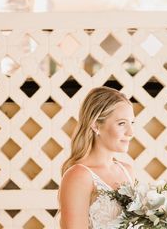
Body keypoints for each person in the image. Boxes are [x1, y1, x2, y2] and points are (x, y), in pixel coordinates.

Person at [58, 86, 136, 229]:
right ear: (95, 125)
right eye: (121, 123)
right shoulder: (79, 176)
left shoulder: (127, 171)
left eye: (132, 123)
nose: (131, 132)